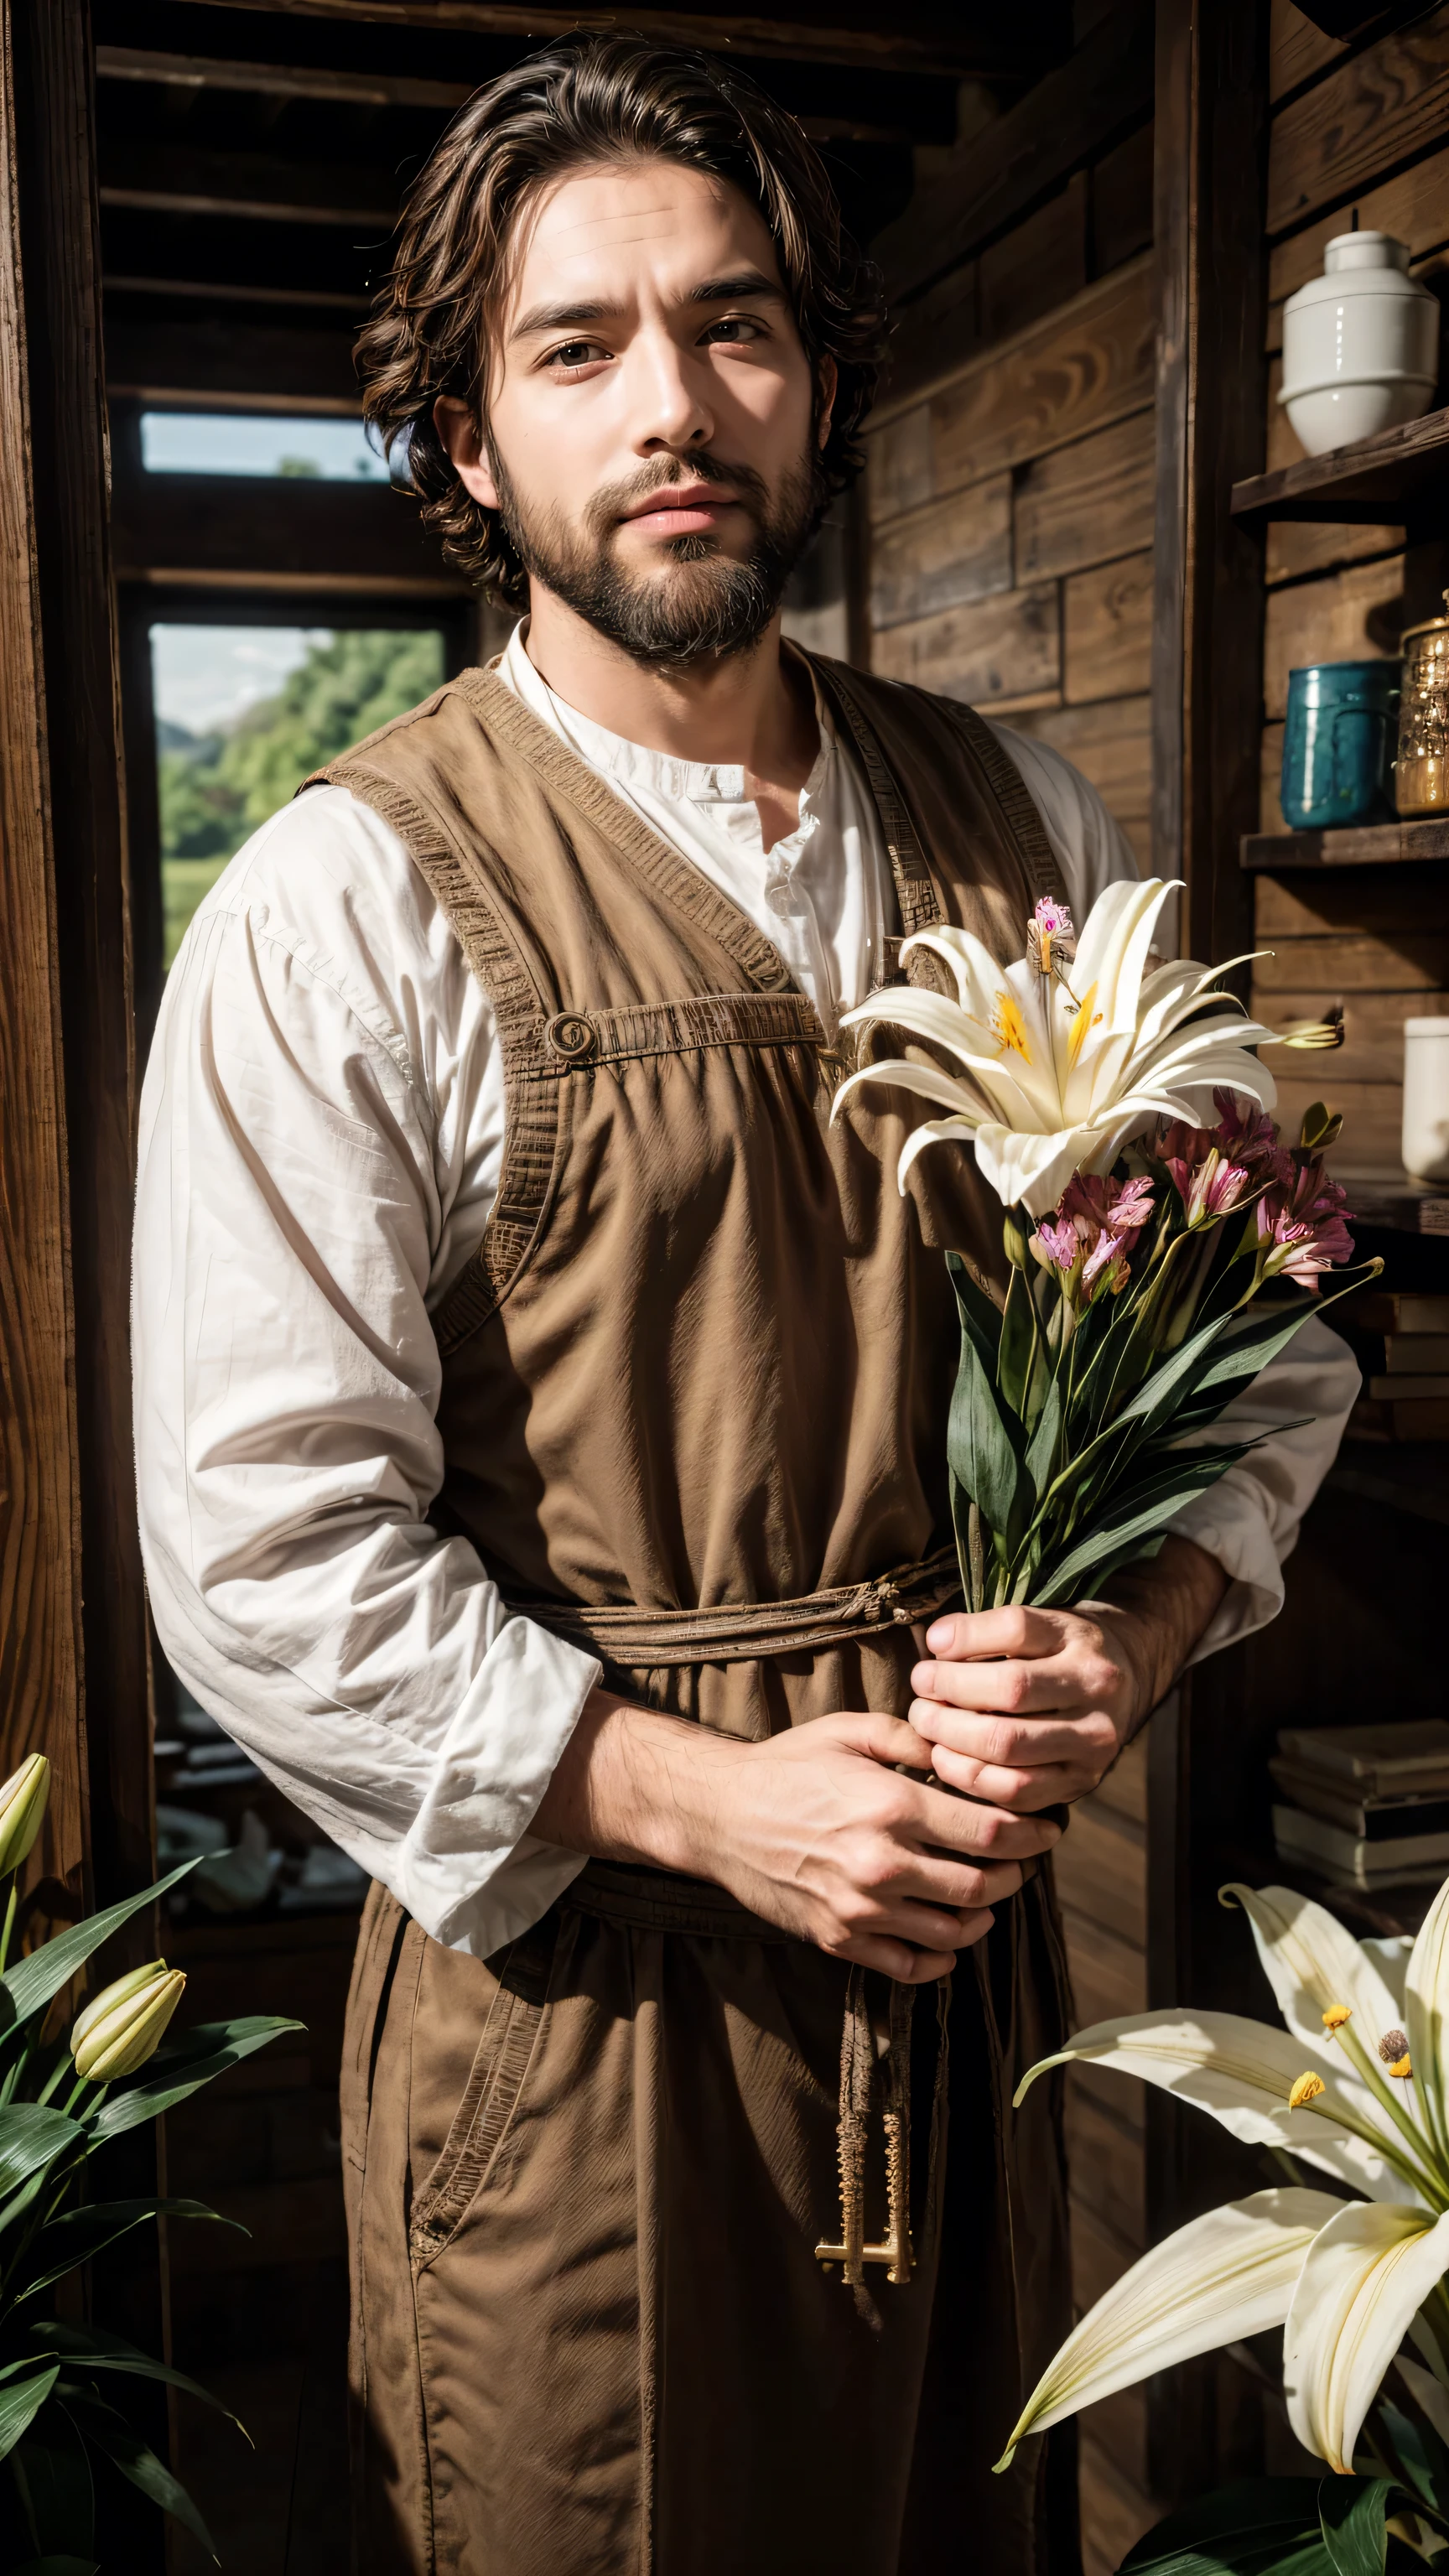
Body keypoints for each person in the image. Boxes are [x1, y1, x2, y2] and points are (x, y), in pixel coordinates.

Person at [131, 35, 1358, 2576]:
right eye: (574, 348)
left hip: (960, 1978)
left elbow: (1247, 1339)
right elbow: (258, 1549)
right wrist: (717, 1801)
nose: (673, 406)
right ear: (466, 439)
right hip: (584, 2019)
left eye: (738, 327)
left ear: (816, 381)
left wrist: (1118, 1642)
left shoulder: (1026, 826)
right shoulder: (341, 905)